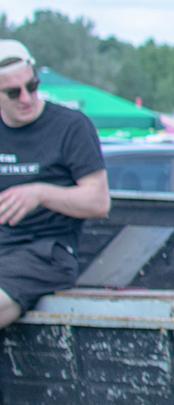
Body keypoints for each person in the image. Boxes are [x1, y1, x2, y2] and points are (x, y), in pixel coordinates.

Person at [0, 40, 110, 330]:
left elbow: (99, 202)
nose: (26, 97)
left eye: (32, 86)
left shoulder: (70, 126)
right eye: (13, 93)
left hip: (46, 254)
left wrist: (40, 193)